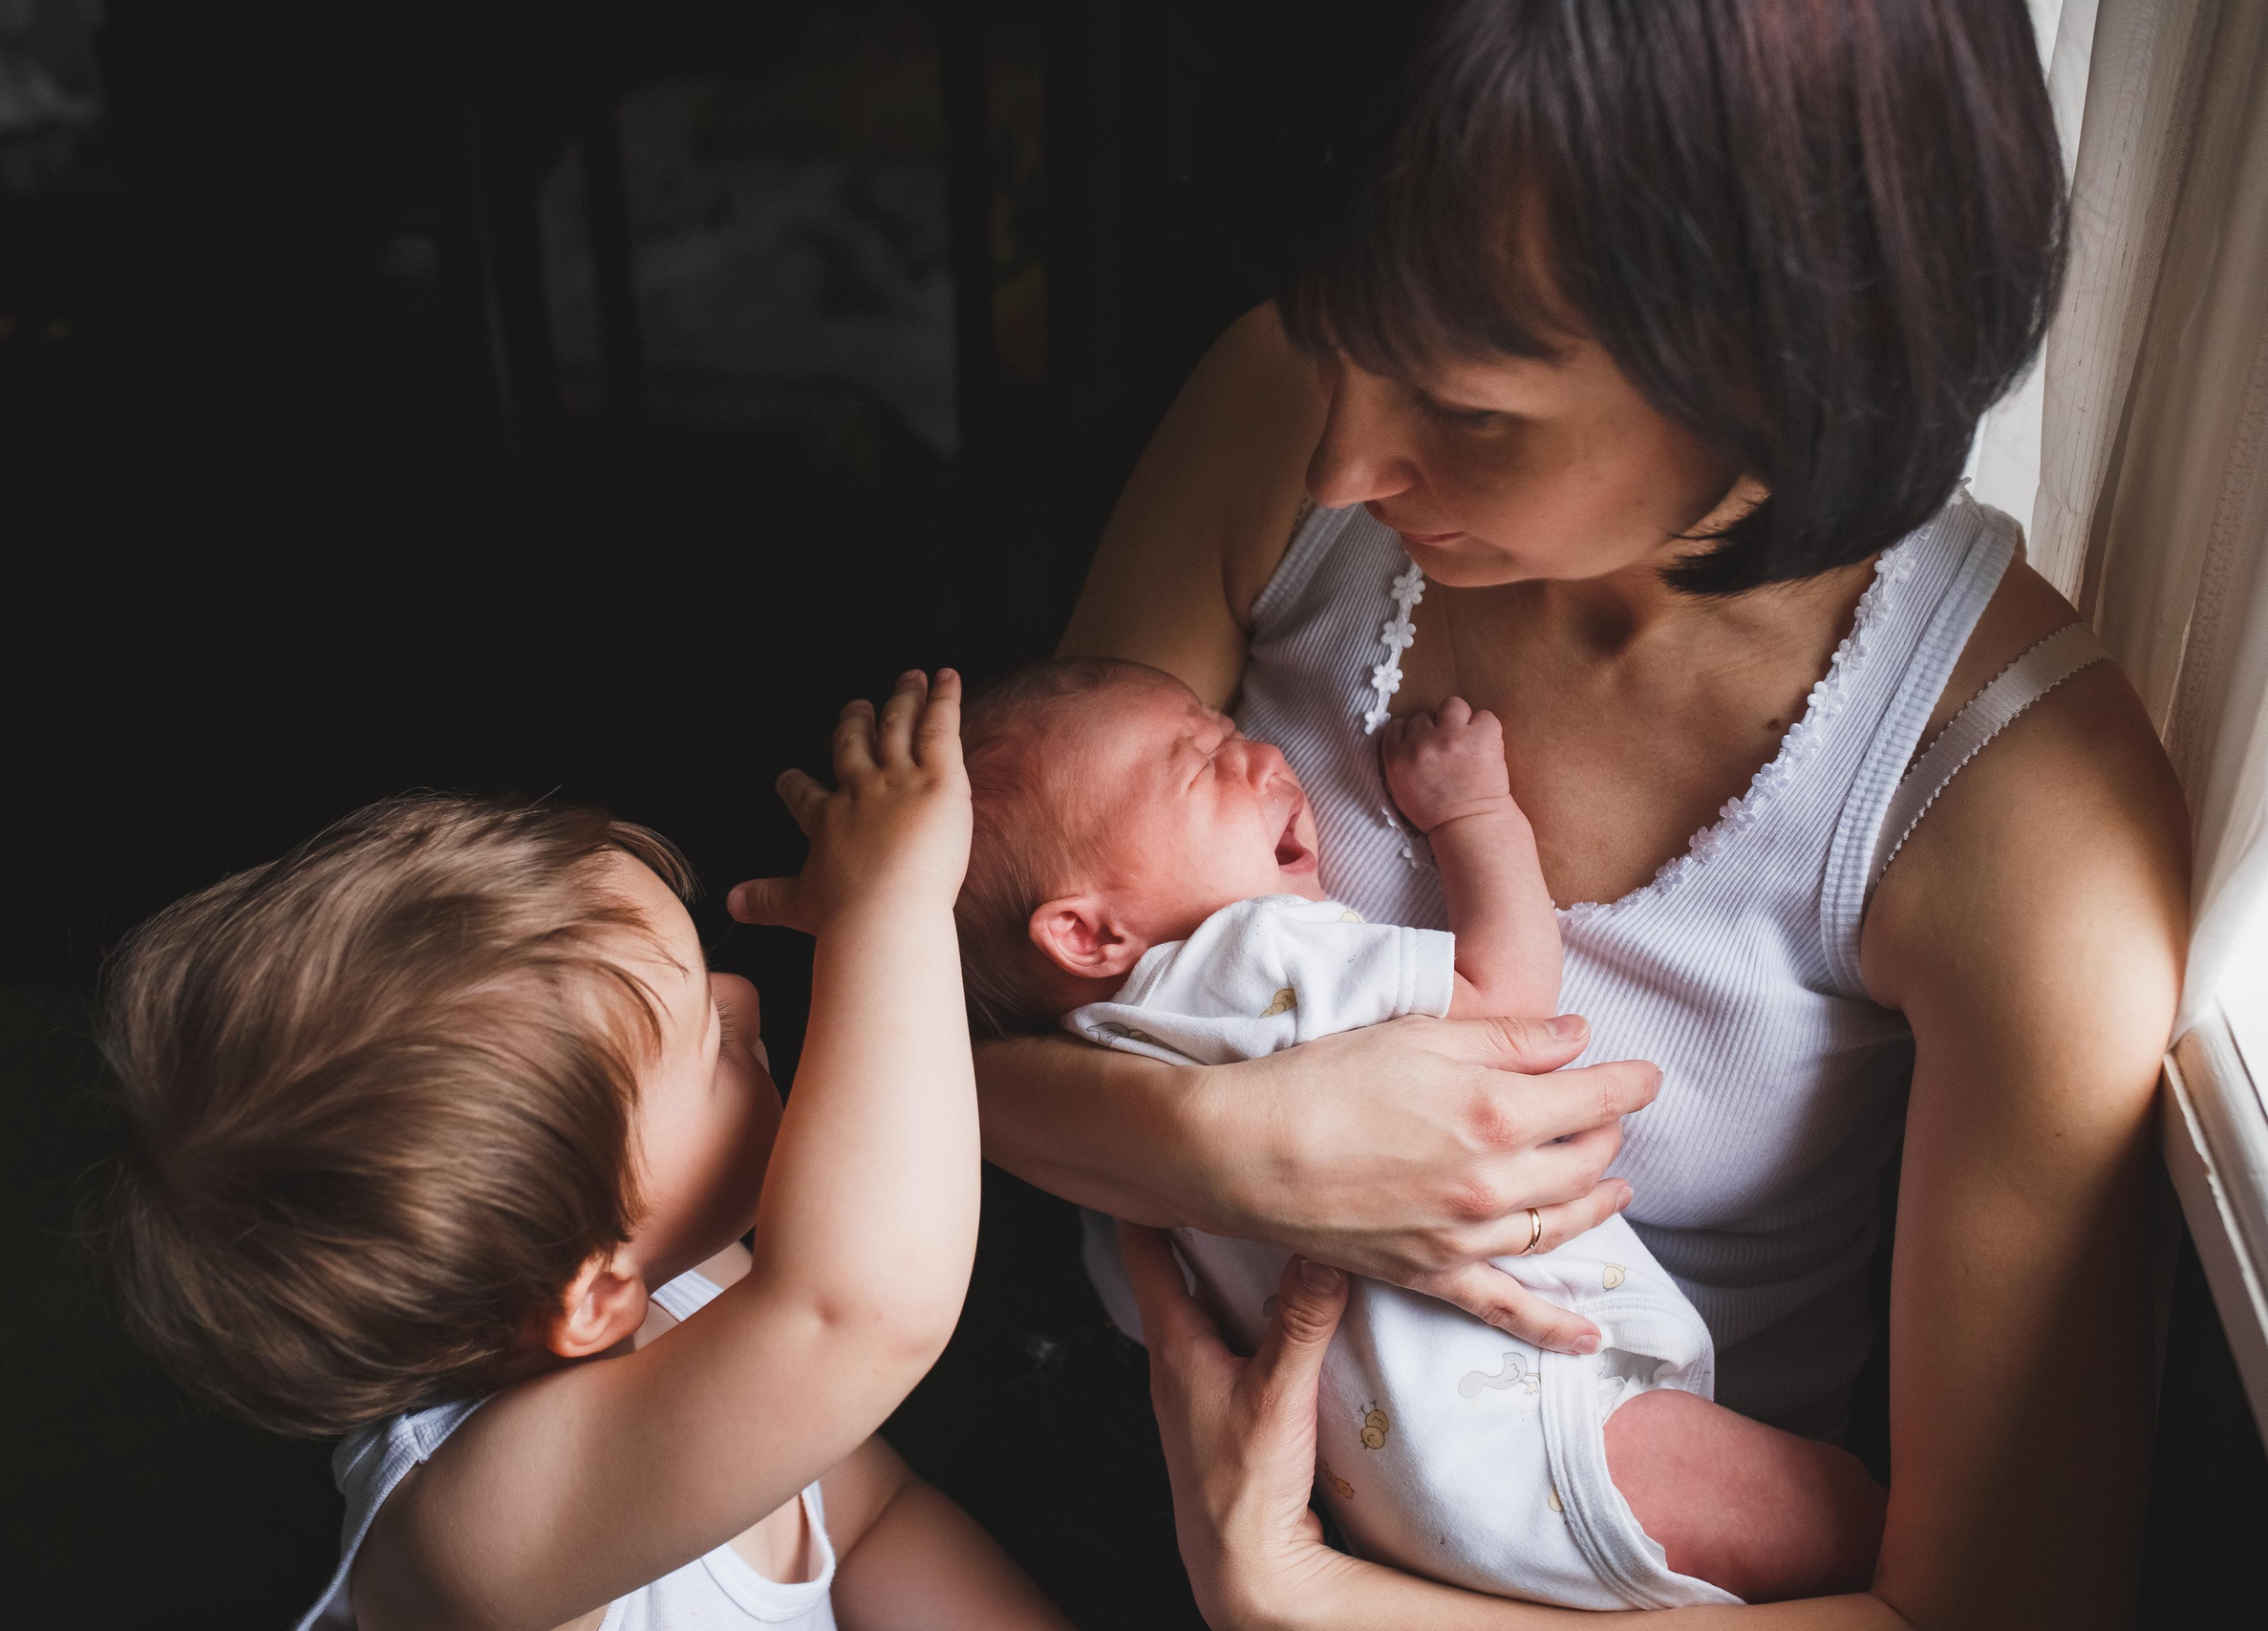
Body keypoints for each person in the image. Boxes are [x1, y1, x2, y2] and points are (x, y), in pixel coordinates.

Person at [926, 3, 2190, 1625]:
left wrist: (1297, 1596)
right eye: (1335, 332)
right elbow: (947, 1007)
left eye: (1467, 413)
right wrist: (1227, 1145)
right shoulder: (1273, 411)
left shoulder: (2019, 809)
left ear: (1771, 351)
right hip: (1076, 1427)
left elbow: (1995, 1604)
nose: (1338, 461)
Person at [91, 674, 1074, 1631]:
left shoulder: (687, 1287)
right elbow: (861, 1311)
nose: (747, 1003)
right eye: (714, 1045)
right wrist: (890, 909)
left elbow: (864, 1523)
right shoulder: (470, 1537)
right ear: (595, 1294)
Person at [951, 654, 1885, 1605]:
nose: (1262, 755)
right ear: (1086, 935)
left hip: (1406, 1503)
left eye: (1232, 730)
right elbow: (1504, 1004)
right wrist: (1473, 816)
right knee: (1855, 1530)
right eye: (1198, 764)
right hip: (1545, 1429)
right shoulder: (1250, 952)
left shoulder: (1099, 1051)